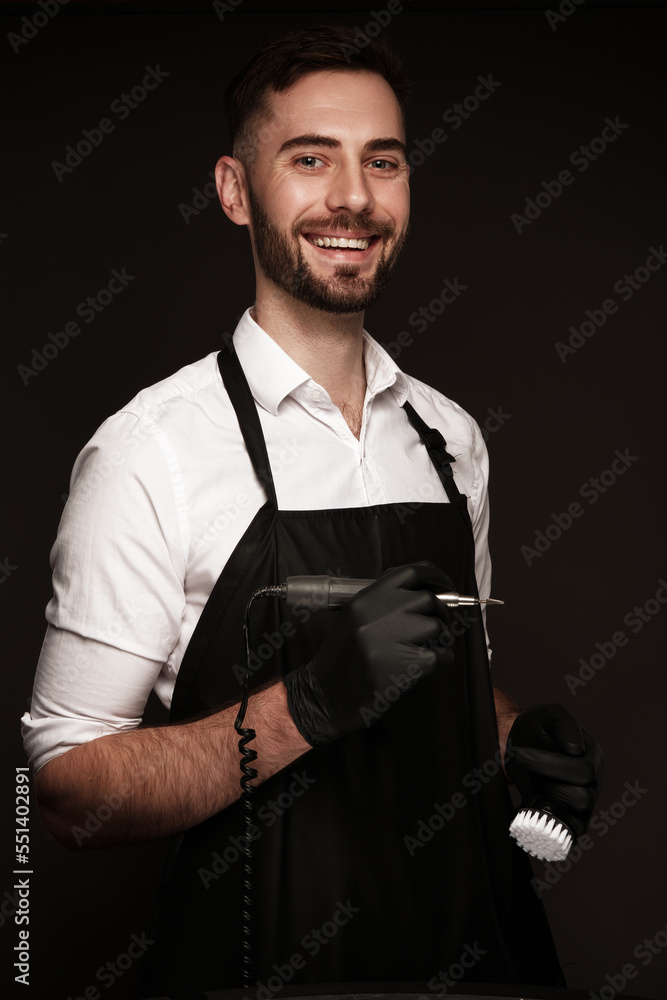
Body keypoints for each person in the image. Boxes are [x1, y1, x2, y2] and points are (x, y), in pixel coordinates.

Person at [22, 24, 602, 996]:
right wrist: (306, 705)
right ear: (234, 191)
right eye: (309, 159)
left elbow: (456, 688)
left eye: (382, 160)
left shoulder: (449, 439)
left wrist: (515, 746)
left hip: (479, 960)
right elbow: (67, 789)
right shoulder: (151, 450)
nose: (353, 198)